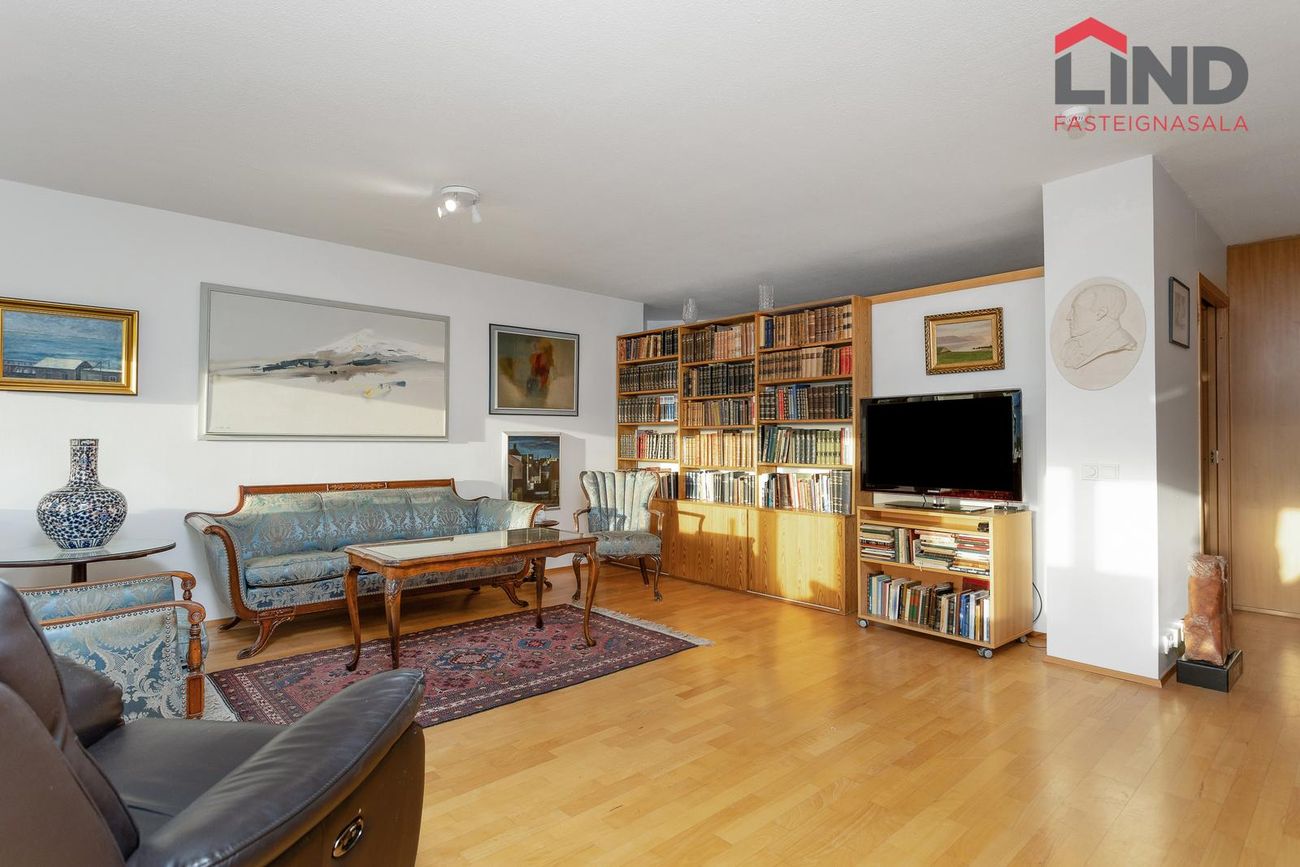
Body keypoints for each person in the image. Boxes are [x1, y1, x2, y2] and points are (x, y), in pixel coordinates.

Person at [1060, 282, 1138, 369]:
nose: (1068, 317)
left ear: (1100, 313)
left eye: (1075, 310)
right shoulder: (1073, 345)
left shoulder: (1121, 341)